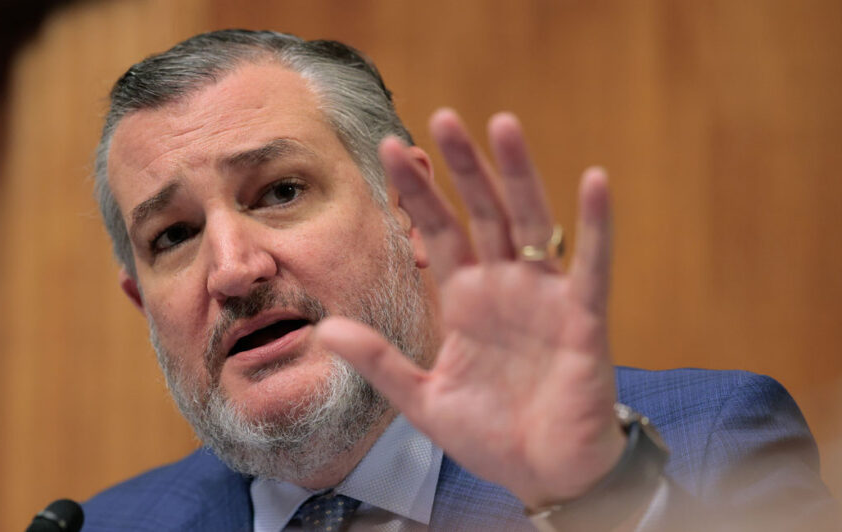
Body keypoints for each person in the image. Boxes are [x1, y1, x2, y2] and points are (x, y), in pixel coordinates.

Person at [80, 30, 835, 530]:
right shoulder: (108, 527)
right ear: (142, 300)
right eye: (173, 235)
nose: (235, 270)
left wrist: (602, 498)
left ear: (403, 209)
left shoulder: (710, 446)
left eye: (281, 192)